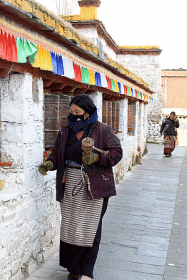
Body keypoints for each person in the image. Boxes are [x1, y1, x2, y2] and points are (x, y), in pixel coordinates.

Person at [38, 95, 123, 280]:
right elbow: (56, 153)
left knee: (90, 227)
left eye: (78, 112)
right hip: (70, 182)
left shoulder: (103, 130)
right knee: (71, 226)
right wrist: (50, 164)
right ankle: (74, 269)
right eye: (72, 112)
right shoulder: (65, 131)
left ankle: (86, 272)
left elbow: (117, 153)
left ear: (88, 112)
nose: (74, 115)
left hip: (94, 185)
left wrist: (97, 158)